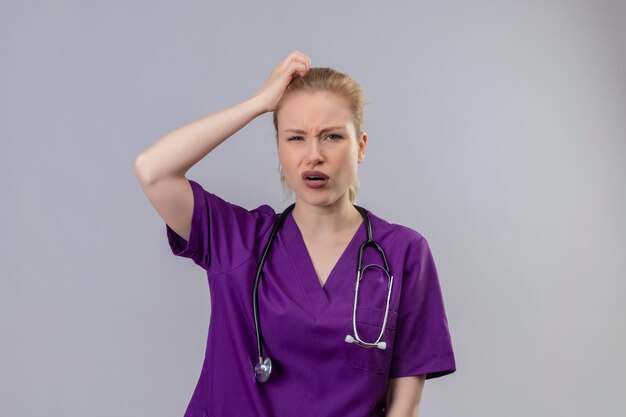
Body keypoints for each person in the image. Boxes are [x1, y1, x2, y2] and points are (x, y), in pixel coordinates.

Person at [134, 50, 456, 417]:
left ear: (361, 147)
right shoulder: (238, 240)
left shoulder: (403, 253)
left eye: (332, 136)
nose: (313, 155)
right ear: (279, 149)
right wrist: (258, 103)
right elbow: (153, 170)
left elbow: (405, 403)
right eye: (296, 138)